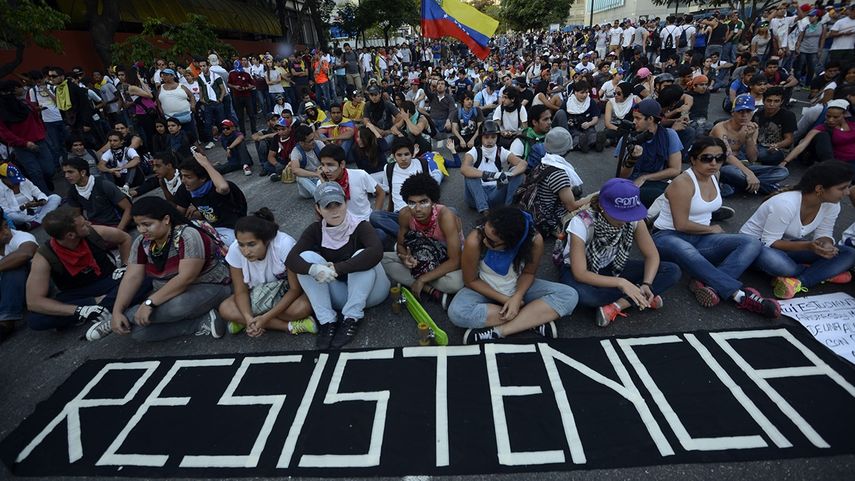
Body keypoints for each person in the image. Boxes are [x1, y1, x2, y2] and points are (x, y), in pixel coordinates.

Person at [652, 136, 781, 318]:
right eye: (706, 158)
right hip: (668, 237)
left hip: (700, 237)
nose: (713, 163)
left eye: (719, 158)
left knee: (751, 243)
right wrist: (711, 229)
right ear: (693, 160)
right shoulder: (682, 183)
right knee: (689, 252)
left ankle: (709, 284)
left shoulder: (715, 176)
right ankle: (740, 295)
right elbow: (681, 224)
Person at [106, 197, 232, 342]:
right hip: (169, 294)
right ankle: (200, 322)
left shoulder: (187, 235)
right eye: (138, 225)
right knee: (139, 333)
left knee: (177, 307)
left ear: (166, 219)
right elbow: (132, 277)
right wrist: (117, 311)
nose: (141, 230)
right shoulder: (142, 243)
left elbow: (186, 278)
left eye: (147, 224)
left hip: (210, 287)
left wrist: (149, 303)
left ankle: (118, 320)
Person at [560, 177, 682, 327]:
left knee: (672, 270)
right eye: (620, 213)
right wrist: (622, 283)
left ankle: (621, 304)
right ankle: (639, 297)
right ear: (601, 205)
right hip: (581, 270)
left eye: (630, 213)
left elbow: (652, 255)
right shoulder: (582, 222)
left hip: (612, 266)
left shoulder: (634, 219)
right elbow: (580, 273)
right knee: (587, 297)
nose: (626, 219)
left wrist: (647, 284)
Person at [447, 206, 578, 344]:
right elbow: (470, 281)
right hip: (484, 286)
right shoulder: (475, 239)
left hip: (517, 286)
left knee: (570, 295)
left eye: (492, 241)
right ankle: (533, 319)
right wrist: (506, 300)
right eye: (485, 233)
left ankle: (499, 331)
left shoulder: (534, 240)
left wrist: (517, 297)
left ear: (513, 243)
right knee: (457, 312)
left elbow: (528, 273)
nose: (485, 241)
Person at [286, 182, 389, 349]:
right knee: (306, 258)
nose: (334, 211)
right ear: (318, 209)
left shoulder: (361, 225)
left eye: (338, 204)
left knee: (362, 255)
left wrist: (337, 268)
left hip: (374, 291)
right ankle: (327, 321)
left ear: (346, 202)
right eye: (327, 207)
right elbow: (291, 259)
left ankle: (352, 318)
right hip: (344, 295)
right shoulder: (315, 230)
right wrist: (314, 269)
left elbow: (376, 252)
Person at [740, 161, 855, 299]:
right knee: (784, 267)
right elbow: (769, 242)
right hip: (756, 247)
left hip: (788, 245)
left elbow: (824, 233)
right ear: (819, 189)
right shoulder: (785, 204)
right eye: (842, 188)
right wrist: (809, 246)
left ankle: (797, 282)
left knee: (849, 253)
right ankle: (819, 272)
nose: (847, 192)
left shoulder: (831, 205)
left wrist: (827, 245)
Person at [24, 207, 143, 340]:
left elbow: (124, 238)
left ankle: (101, 313)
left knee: (144, 276)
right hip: (79, 295)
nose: (88, 223)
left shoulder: (93, 232)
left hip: (109, 281)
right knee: (35, 319)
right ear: (70, 235)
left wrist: (125, 265)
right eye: (83, 224)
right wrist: (79, 309)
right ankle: (106, 308)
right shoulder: (44, 256)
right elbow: (34, 301)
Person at [219, 209, 316, 336]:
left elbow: (295, 289)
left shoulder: (284, 244)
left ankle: (242, 321)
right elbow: (240, 291)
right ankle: (289, 326)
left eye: (252, 244)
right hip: (256, 295)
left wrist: (265, 318)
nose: (246, 251)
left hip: (284, 294)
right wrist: (248, 317)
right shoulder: (234, 249)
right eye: (241, 245)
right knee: (225, 309)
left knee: (301, 308)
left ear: (266, 240)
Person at [381, 173, 464, 307]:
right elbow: (401, 245)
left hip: (446, 260)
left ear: (433, 202)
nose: (418, 209)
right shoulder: (405, 214)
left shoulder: (445, 216)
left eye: (423, 202)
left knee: (456, 283)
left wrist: (422, 279)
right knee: (382, 259)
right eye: (412, 203)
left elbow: (455, 260)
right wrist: (404, 258)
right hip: (421, 257)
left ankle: (417, 282)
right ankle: (432, 291)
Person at [710, 94, 789, 196]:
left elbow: (752, 159)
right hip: (720, 165)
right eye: (740, 112)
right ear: (733, 112)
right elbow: (728, 157)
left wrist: (749, 138)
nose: (744, 115)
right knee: (730, 171)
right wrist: (750, 174)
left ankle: (738, 187)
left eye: (748, 112)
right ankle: (770, 188)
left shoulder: (753, 128)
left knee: (782, 171)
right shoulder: (720, 128)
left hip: (741, 166)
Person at [516, 127, 585, 237]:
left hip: (533, 212)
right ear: (568, 148)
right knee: (591, 208)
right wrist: (593, 197)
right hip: (546, 220)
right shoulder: (559, 174)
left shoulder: (543, 162)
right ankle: (557, 229)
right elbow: (571, 206)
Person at [616, 98, 683, 207]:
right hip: (632, 185)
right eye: (634, 118)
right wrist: (632, 159)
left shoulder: (669, 135)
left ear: (651, 119)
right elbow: (621, 176)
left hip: (657, 181)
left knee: (682, 191)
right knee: (664, 196)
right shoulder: (627, 139)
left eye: (638, 118)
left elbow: (675, 170)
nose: (634, 122)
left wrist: (645, 177)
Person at [173, 151, 247, 246]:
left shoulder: (217, 186)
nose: (183, 180)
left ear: (203, 178)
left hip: (233, 229)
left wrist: (206, 164)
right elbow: (178, 214)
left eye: (188, 177)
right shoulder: (186, 189)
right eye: (182, 175)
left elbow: (223, 187)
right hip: (210, 227)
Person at [0, 79, 55, 194]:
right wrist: (24, 143)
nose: (23, 89)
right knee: (35, 172)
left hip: (39, 141)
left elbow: (37, 118)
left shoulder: (25, 104)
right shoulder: (2, 112)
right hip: (21, 147)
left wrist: (41, 133)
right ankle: (46, 195)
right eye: (20, 87)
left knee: (49, 169)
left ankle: (47, 183)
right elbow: (5, 133)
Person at [317, 144, 384, 222]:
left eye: (330, 165)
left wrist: (375, 216)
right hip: (342, 228)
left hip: (365, 222)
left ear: (342, 164)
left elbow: (380, 192)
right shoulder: (321, 184)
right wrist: (325, 186)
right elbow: (321, 211)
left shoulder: (360, 175)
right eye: (322, 165)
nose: (325, 170)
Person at [62, 156, 133, 231]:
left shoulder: (103, 184)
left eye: (70, 172)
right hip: (95, 226)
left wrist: (119, 230)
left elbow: (128, 208)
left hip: (115, 224)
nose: (66, 176)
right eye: (65, 173)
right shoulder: (72, 191)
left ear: (83, 172)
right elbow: (77, 215)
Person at [0, 207, 37, 341]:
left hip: (34, 287)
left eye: (5, 226)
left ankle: (6, 322)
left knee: (15, 265)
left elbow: (26, 253)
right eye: (0, 231)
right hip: (6, 292)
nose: (6, 232)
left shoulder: (20, 236)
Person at [784, 99, 855, 165]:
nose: (830, 120)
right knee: (822, 136)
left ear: (844, 115)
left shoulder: (852, 124)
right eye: (828, 116)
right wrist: (785, 161)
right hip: (839, 161)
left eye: (836, 117)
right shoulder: (822, 128)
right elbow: (802, 145)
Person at [0, 163, 61, 230]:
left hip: (35, 209)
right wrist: (24, 206)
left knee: (55, 197)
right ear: (3, 179)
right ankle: (43, 217)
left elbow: (37, 192)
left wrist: (42, 200)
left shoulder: (23, 180)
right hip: (20, 215)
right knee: (11, 216)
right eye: (12, 180)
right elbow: (5, 210)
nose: (16, 182)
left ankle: (35, 222)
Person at [752, 86, 797, 166]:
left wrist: (776, 145)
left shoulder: (788, 115)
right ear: (763, 100)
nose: (772, 104)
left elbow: (789, 139)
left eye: (776, 101)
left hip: (777, 149)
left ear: (781, 102)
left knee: (763, 154)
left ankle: (752, 162)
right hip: (758, 145)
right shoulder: (758, 113)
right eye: (769, 101)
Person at [289, 124, 326, 198]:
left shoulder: (318, 144)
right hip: (308, 185)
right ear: (301, 142)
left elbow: (330, 158)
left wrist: (323, 167)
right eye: (310, 141)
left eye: (313, 138)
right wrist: (316, 174)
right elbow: (295, 170)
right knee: (299, 177)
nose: (313, 141)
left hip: (322, 177)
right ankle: (320, 196)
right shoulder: (296, 152)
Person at [565, 80, 602, 153]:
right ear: (575, 92)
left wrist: (589, 124)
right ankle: (584, 145)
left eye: (586, 92)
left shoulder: (591, 102)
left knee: (592, 134)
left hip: (588, 127)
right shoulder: (567, 102)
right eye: (582, 93)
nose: (584, 95)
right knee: (577, 137)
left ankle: (593, 144)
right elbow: (562, 118)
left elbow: (595, 118)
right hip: (573, 129)